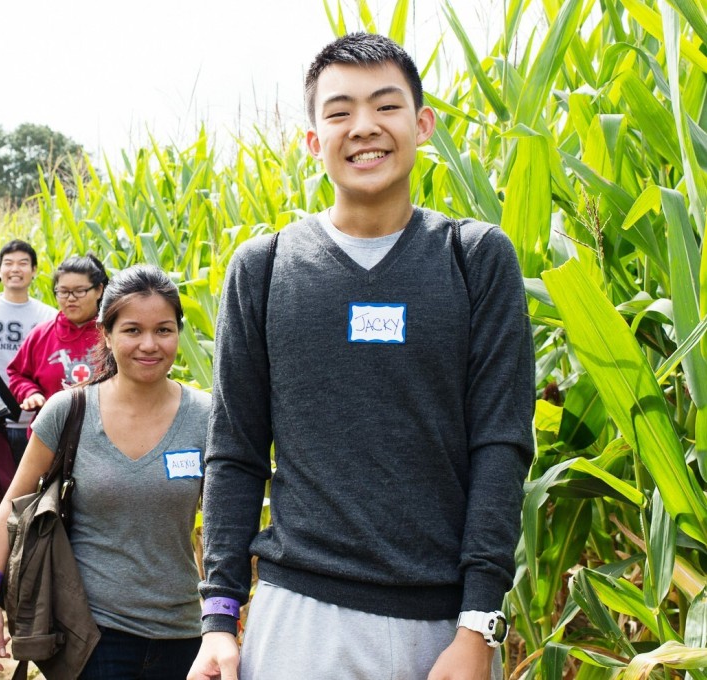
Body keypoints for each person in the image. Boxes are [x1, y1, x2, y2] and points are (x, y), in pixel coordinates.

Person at [188, 32, 535, 680]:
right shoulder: (263, 269)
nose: (365, 127)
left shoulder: (476, 259)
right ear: (314, 141)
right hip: (298, 620)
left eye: (386, 105)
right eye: (340, 111)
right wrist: (218, 621)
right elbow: (234, 454)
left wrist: (478, 625)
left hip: (438, 629)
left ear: (423, 123)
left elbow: (501, 444)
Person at [0, 264, 211, 679]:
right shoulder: (69, 412)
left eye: (164, 330)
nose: (149, 345)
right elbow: (12, 506)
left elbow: (226, 526)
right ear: (106, 333)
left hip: (185, 633)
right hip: (92, 634)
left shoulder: (206, 417)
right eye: (132, 330)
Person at [0, 240, 57, 462]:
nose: (15, 269)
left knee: (32, 493)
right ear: (0, 270)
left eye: (23, 263)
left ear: (34, 270)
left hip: (36, 424)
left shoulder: (48, 316)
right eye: (8, 263)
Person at [7, 253, 109, 415]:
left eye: (79, 291)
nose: (71, 299)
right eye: (63, 291)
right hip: (50, 433)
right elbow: (17, 373)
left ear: (98, 290)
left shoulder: (112, 334)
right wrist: (31, 393)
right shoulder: (41, 334)